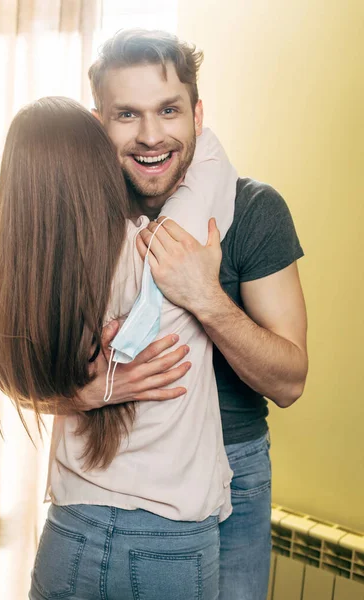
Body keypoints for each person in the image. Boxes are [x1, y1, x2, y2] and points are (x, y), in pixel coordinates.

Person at [80, 29, 308, 600]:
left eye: (169, 110)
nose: (151, 135)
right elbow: (26, 371)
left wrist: (203, 295)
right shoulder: (83, 220)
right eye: (126, 114)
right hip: (116, 470)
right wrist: (87, 391)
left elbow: (290, 381)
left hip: (236, 465)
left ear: (197, 114)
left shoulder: (254, 209)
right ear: (97, 121)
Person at [0, 91, 239, 598]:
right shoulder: (159, 250)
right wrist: (172, 119)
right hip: (169, 541)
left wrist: (86, 392)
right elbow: (210, 156)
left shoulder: (24, 289)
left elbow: (16, 381)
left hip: (70, 532)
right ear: (96, 169)